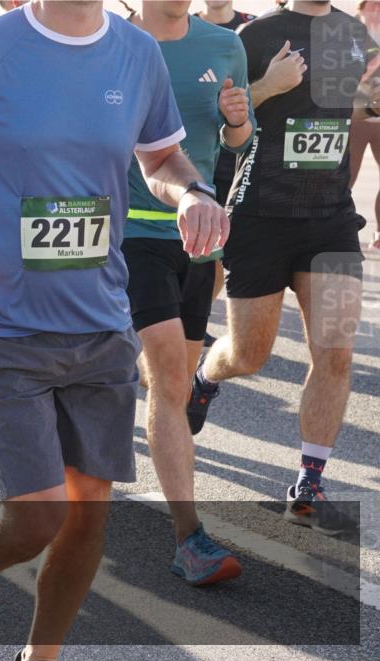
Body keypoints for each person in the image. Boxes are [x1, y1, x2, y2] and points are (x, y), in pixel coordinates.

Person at [0, 2, 227, 661]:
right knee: (37, 514)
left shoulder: (136, 54)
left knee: (86, 517)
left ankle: (39, 657)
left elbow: (161, 154)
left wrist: (191, 192)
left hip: (101, 322)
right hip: (0, 324)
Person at [190, 0, 380, 535]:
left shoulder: (354, 34)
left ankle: (309, 481)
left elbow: (362, 109)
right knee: (249, 354)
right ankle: (204, 376)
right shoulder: (253, 38)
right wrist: (269, 87)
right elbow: (213, 118)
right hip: (260, 215)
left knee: (336, 353)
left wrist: (371, 96)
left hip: (331, 219)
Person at [124, 0, 254, 586]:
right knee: (171, 377)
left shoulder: (225, 45)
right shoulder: (116, 43)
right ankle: (188, 537)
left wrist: (235, 121)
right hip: (129, 229)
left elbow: (239, 144)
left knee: (170, 378)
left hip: (201, 232)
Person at [195, 1, 258, 347]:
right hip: (192, 157)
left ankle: (199, 311)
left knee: (216, 247)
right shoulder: (183, 26)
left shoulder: (252, 29)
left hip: (234, 157)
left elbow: (256, 98)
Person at [351, 0, 380, 249]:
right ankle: (339, 226)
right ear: (360, 8)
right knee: (344, 178)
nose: (377, 10)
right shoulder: (349, 35)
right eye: (372, 4)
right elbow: (346, 75)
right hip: (355, 118)